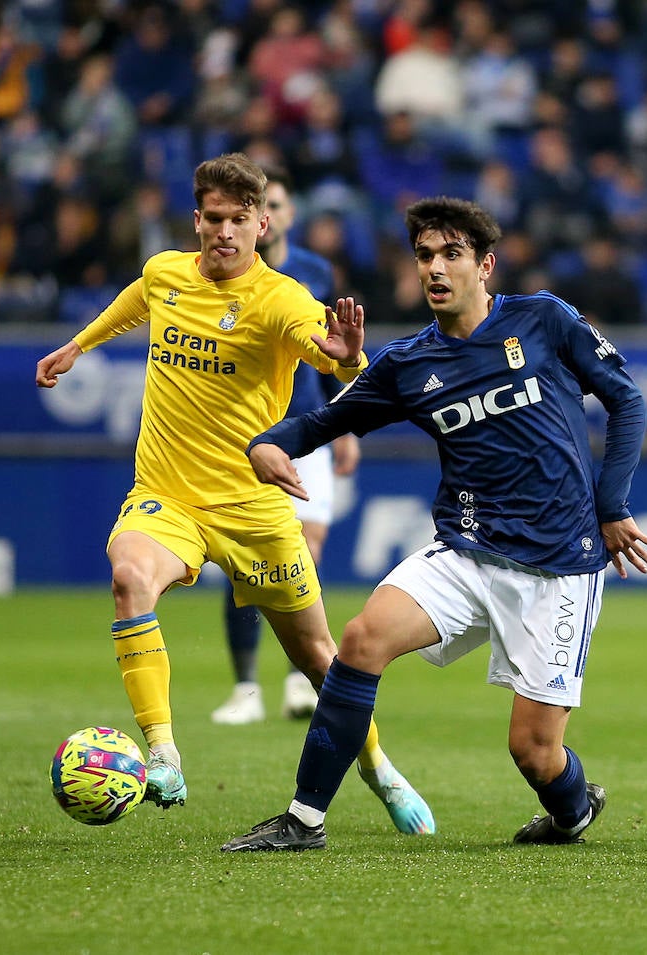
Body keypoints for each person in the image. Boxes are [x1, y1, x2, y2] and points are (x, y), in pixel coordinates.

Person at [221, 197, 647, 852]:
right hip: (468, 548)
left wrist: (612, 504)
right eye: (425, 254)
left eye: (452, 253)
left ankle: (572, 811)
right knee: (362, 638)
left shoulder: (544, 318)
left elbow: (626, 397)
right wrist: (268, 442)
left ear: (484, 265)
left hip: (560, 564)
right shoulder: (406, 364)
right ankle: (303, 818)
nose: (435, 267)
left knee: (536, 754)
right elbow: (321, 422)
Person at [34, 153, 433, 834]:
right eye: (213, 218)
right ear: (197, 219)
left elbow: (327, 350)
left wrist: (345, 354)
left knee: (316, 657)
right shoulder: (167, 273)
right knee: (130, 575)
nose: (224, 231)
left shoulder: (279, 298)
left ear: (262, 222)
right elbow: (139, 295)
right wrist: (80, 344)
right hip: (169, 495)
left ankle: (378, 768)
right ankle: (162, 753)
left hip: (254, 507)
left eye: (238, 220)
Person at [211, 165, 361, 726]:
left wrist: (344, 425)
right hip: (247, 437)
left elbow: (329, 351)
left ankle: (301, 677)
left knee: (307, 553)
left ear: (283, 215)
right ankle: (245, 688)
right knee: (245, 566)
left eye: (270, 202)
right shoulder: (220, 273)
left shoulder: (315, 272)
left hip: (308, 428)